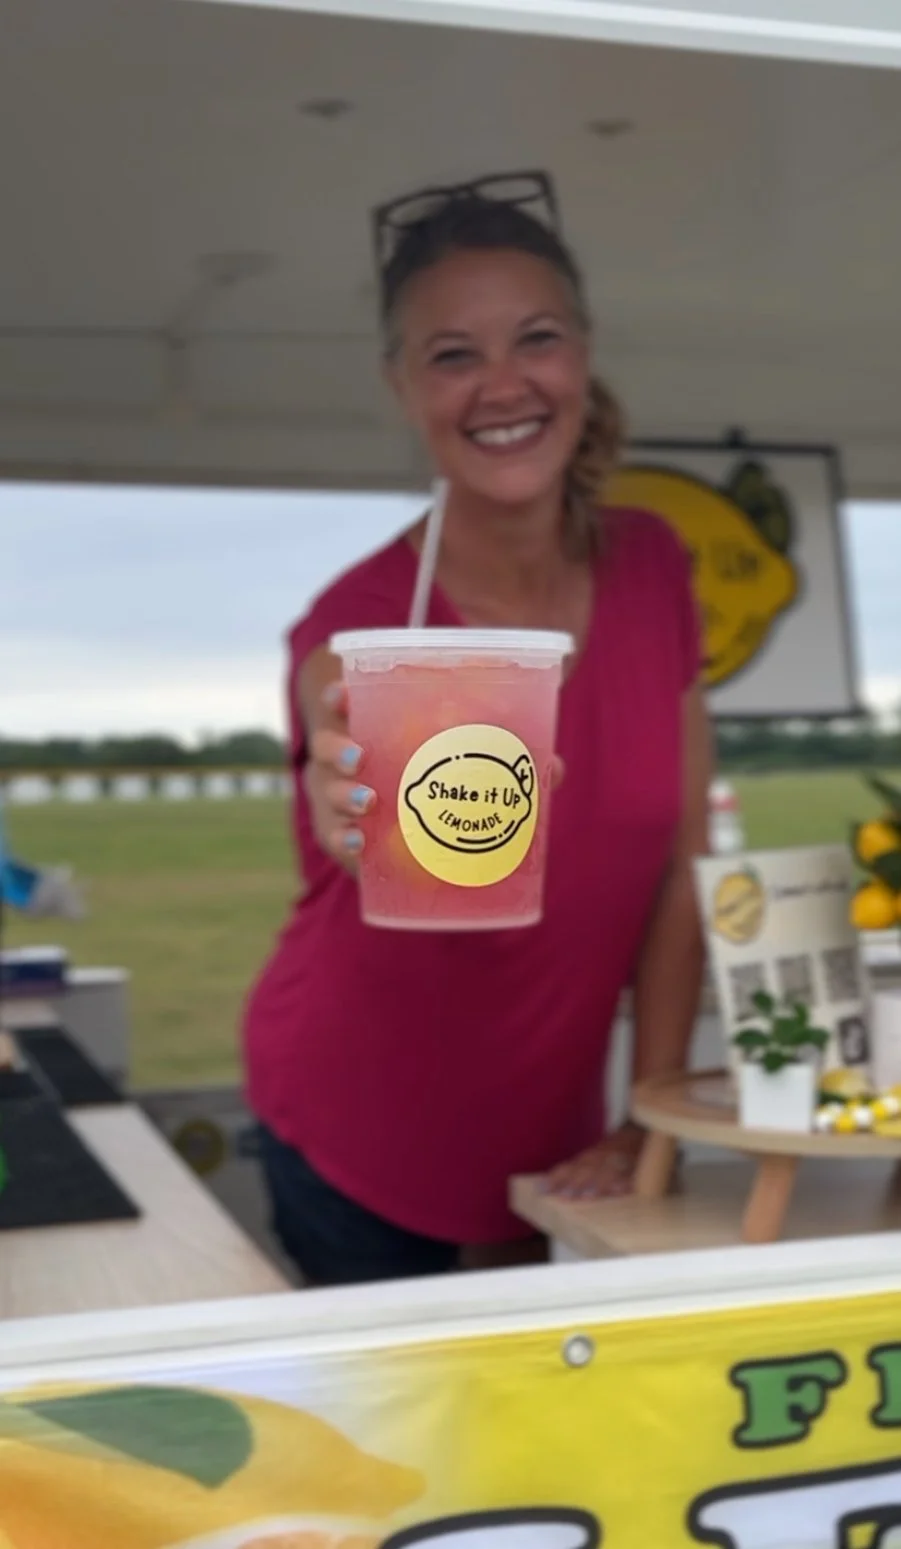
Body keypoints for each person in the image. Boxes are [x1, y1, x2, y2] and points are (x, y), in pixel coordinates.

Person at [243, 171, 711, 1287]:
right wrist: (347, 797)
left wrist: (651, 1110)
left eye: (534, 339)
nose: (502, 384)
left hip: (558, 1136)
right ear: (403, 385)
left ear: (582, 354)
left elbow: (682, 867)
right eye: (452, 354)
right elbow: (337, 756)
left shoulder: (652, 565)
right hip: (359, 1137)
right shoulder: (360, 624)